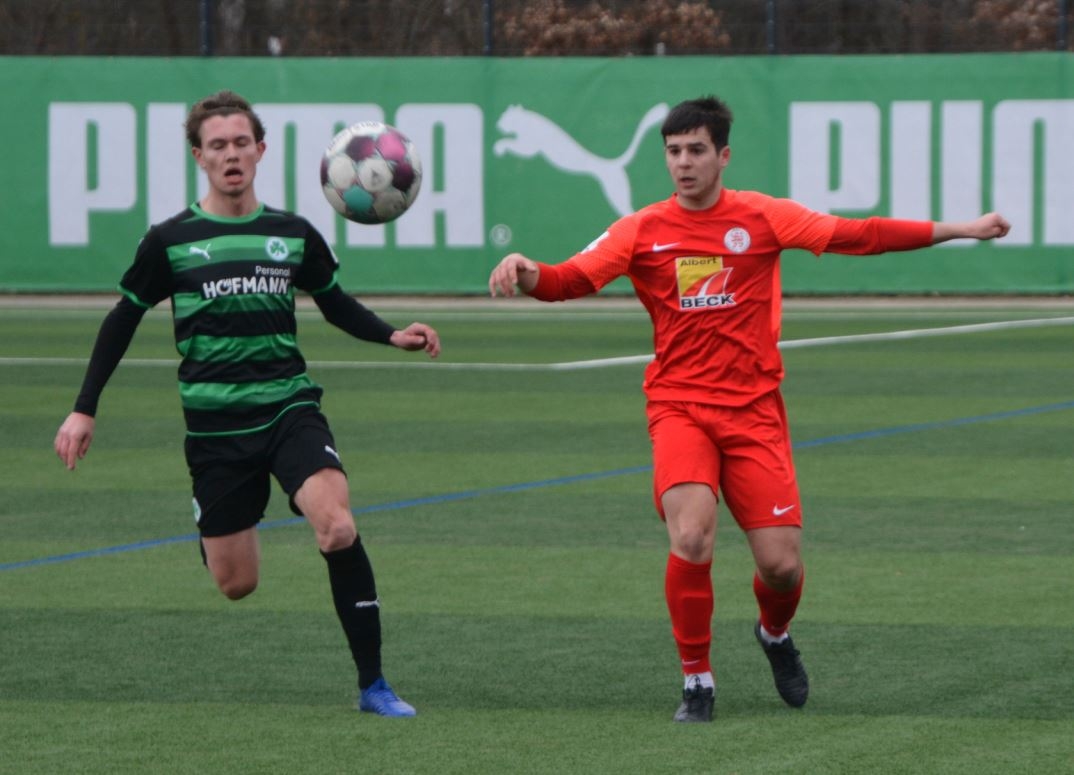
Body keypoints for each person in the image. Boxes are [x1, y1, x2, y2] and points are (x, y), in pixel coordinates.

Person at [488, 95, 1010, 723]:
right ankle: (697, 681)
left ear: (723, 155)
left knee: (782, 567)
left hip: (754, 412)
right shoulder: (640, 229)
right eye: (674, 151)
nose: (684, 163)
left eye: (696, 150)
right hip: (680, 407)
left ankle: (774, 634)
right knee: (691, 534)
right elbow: (568, 280)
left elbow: (860, 236)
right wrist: (526, 270)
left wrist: (962, 228)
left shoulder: (763, 217)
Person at [53, 90, 440, 718]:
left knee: (337, 526)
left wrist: (392, 334)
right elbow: (123, 317)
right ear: (199, 157)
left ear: (260, 150)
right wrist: (84, 406)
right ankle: (211, 523)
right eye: (217, 146)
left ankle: (374, 685)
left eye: (240, 143)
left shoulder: (292, 233)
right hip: (215, 429)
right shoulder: (170, 240)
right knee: (237, 584)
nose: (230, 155)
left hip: (289, 409)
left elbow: (334, 302)